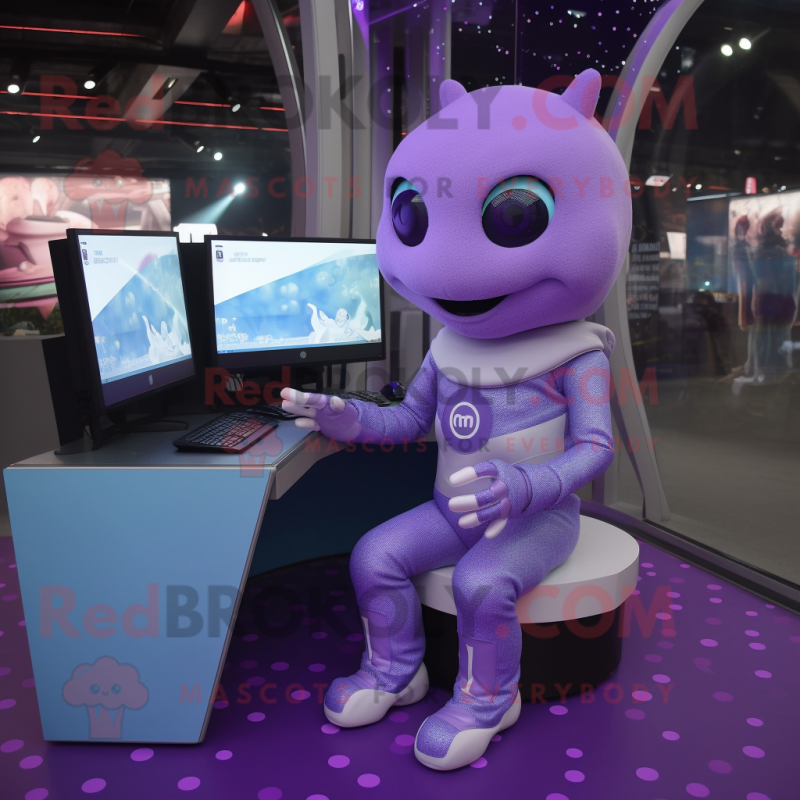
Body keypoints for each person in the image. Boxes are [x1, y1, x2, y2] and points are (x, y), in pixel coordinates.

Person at [283, 71, 630, 771]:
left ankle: (489, 698)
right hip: (455, 508)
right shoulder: (449, 346)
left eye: (514, 215)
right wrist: (350, 419)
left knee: (481, 583)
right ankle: (394, 669)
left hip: (539, 518)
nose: (444, 265)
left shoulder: (579, 353)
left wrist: (529, 486)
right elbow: (411, 418)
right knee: (374, 555)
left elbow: (596, 447)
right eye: (411, 216)